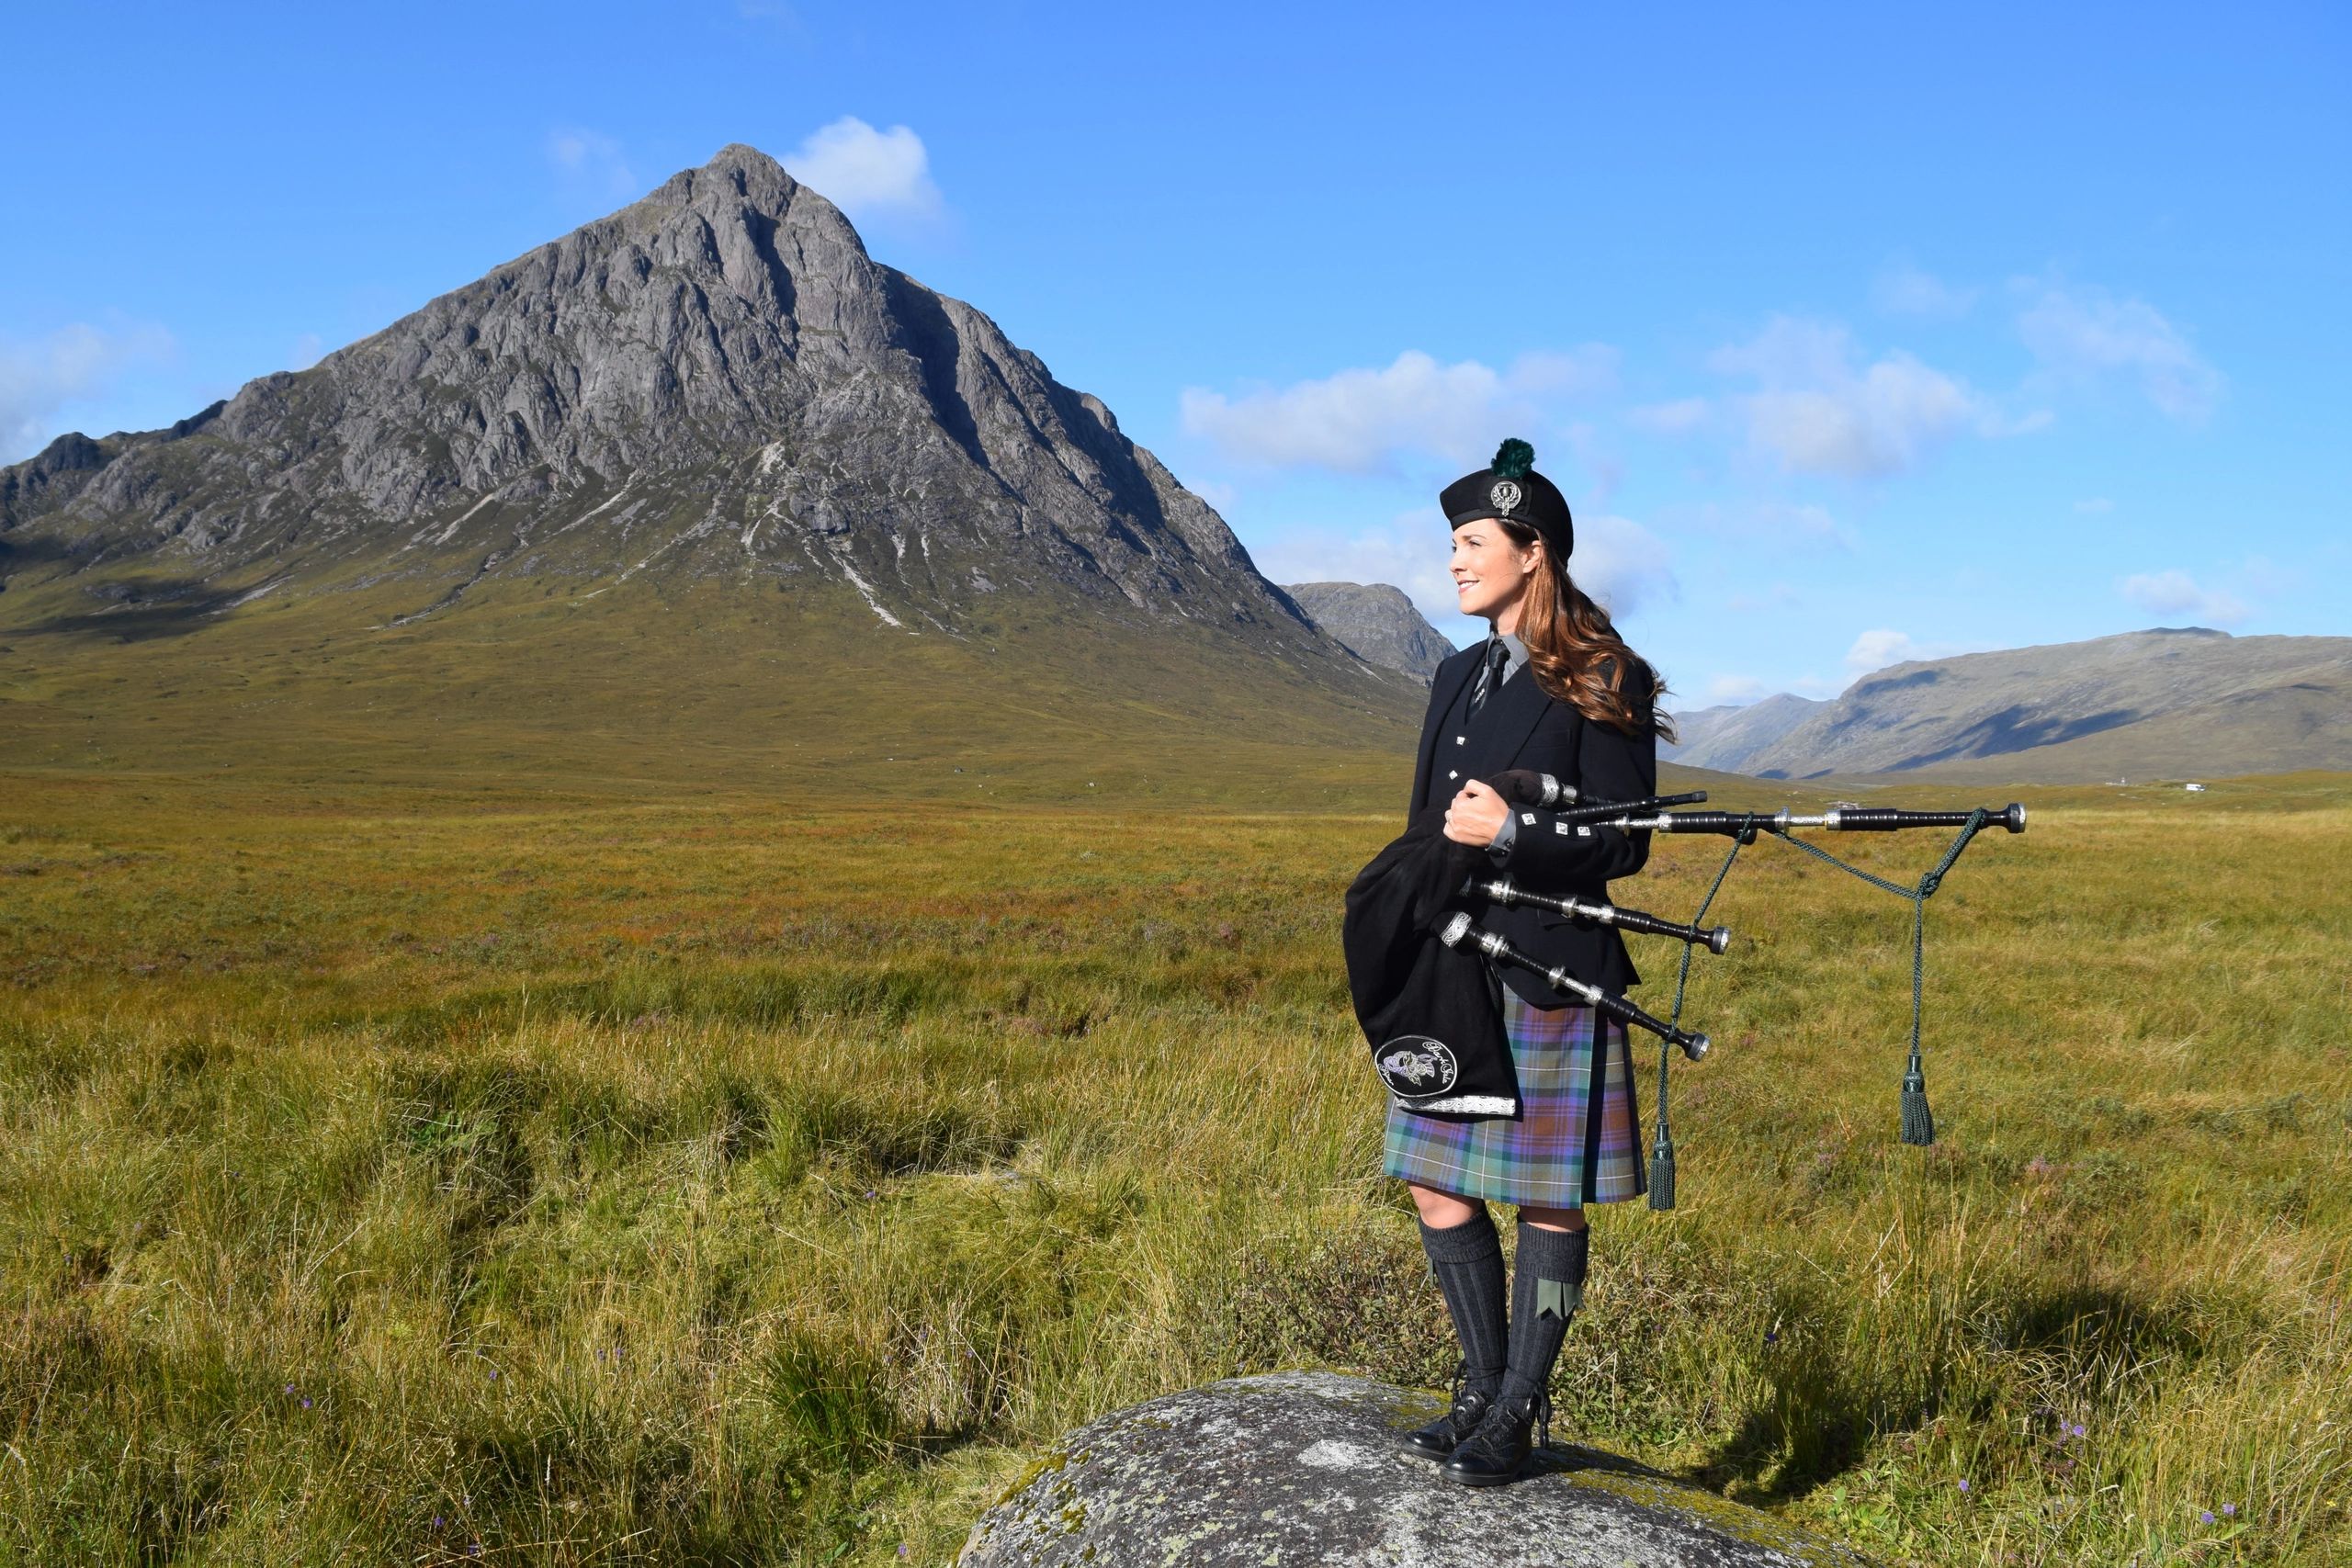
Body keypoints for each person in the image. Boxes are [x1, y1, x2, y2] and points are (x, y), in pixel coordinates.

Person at [1385, 438, 1671, 1486]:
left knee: (1547, 1196)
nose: (1454, 562)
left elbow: (1628, 833)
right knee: (1431, 1181)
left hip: (1549, 963)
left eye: (1471, 543)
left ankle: (1520, 1407)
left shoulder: (1602, 671)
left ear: (1531, 550)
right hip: (1452, 961)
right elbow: (1428, 820)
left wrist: (1515, 831)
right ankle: (1477, 1382)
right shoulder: (1456, 673)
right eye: (1451, 544)